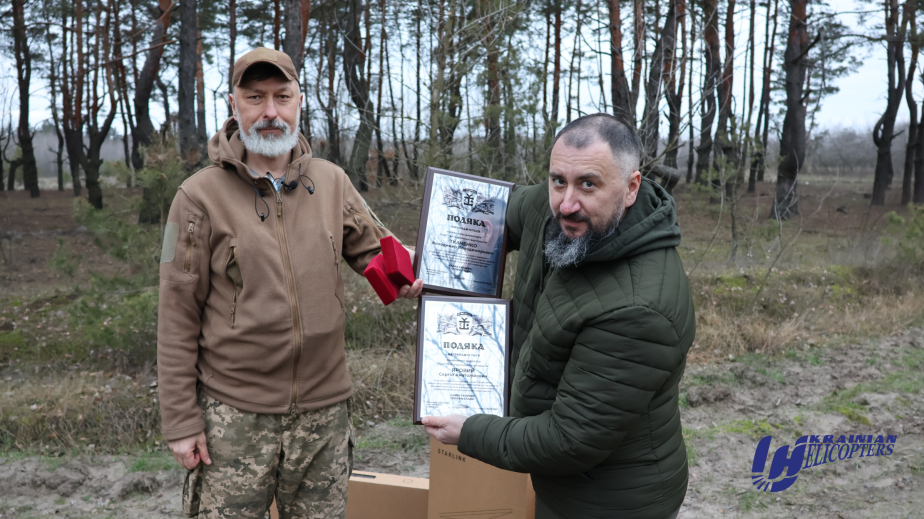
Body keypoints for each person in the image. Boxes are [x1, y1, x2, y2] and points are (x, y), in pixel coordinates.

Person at [156, 47, 422, 519]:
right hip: (233, 419)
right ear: (234, 105)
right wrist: (181, 421)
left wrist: (422, 271)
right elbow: (176, 314)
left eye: (282, 96)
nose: (271, 112)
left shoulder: (331, 181)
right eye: (255, 98)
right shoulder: (197, 197)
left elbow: (380, 254)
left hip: (324, 416)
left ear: (300, 101)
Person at [422, 113, 694, 519]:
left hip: (611, 500)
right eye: (557, 181)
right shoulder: (560, 213)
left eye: (589, 184)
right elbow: (499, 212)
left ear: (631, 186)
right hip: (562, 486)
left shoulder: (639, 310)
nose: (566, 204)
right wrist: (435, 258)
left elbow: (568, 441)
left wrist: (470, 431)